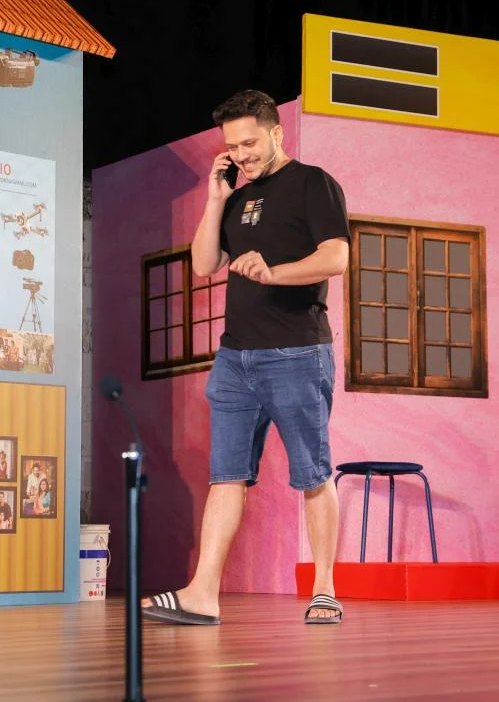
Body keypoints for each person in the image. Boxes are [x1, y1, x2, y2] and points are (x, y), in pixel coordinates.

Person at [141, 90, 349, 626]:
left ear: (277, 131)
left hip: (297, 352)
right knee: (226, 476)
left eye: (250, 143)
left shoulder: (313, 183)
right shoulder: (236, 198)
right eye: (232, 147)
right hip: (236, 358)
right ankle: (202, 594)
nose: (241, 154)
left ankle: (324, 590)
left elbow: (336, 257)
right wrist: (215, 198)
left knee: (312, 474)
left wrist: (274, 273)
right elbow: (203, 263)